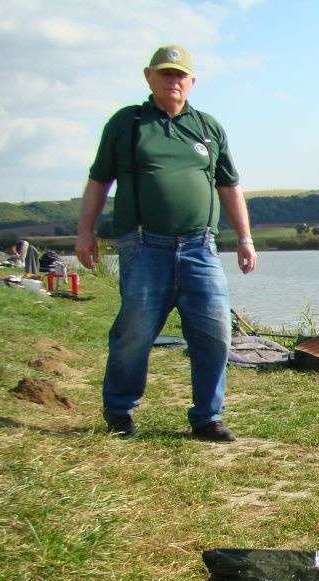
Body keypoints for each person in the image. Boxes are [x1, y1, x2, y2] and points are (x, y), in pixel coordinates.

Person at [75, 44, 257, 441]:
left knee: (215, 333)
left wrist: (244, 238)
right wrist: (85, 231)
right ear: (149, 76)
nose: (173, 80)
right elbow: (99, 181)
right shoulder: (128, 123)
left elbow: (229, 186)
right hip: (144, 246)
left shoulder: (207, 127)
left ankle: (207, 418)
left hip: (201, 247)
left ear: (191, 81)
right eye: (165, 73)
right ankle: (119, 411)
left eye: (180, 74)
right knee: (135, 332)